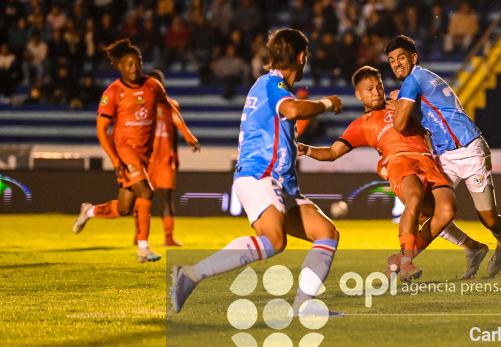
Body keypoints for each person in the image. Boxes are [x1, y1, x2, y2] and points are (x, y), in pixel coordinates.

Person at [170, 29, 344, 316]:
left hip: (280, 183)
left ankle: (304, 305)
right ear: (302, 57)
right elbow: (290, 110)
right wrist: (327, 103)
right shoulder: (271, 84)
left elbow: (276, 124)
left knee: (326, 233)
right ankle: (191, 275)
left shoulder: (268, 86)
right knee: (274, 240)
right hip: (260, 176)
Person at [300, 66, 458, 282]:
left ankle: (400, 260)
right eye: (369, 89)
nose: (376, 92)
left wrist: (407, 105)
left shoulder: (401, 103)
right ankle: (406, 262)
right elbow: (332, 152)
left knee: (447, 211)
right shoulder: (360, 126)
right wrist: (307, 149)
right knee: (414, 197)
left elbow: (429, 116)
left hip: (426, 159)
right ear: (359, 95)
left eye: (379, 87)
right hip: (399, 161)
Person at [386, 35, 501, 278]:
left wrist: (392, 105)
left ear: (413, 58)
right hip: (444, 156)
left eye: (401, 57)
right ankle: (472, 248)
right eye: (391, 60)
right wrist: (397, 102)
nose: (396, 64)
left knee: (488, 218)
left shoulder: (414, 79)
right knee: (428, 211)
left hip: (469, 150)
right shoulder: (417, 81)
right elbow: (421, 117)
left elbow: (399, 125)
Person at [72, 39, 200, 263]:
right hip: (124, 150)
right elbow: (102, 130)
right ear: (119, 66)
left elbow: (170, 108)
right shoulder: (113, 92)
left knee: (123, 208)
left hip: (144, 153)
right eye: (128, 64)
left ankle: (89, 211)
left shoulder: (152, 86)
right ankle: (143, 249)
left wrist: (187, 134)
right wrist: (114, 160)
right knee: (146, 192)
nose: (133, 68)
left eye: (137, 63)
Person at [145, 70, 191, 246]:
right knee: (142, 197)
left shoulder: (172, 106)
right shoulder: (140, 106)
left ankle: (168, 237)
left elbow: (175, 135)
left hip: (165, 158)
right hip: (147, 159)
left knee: (166, 197)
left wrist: (176, 156)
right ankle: (139, 234)